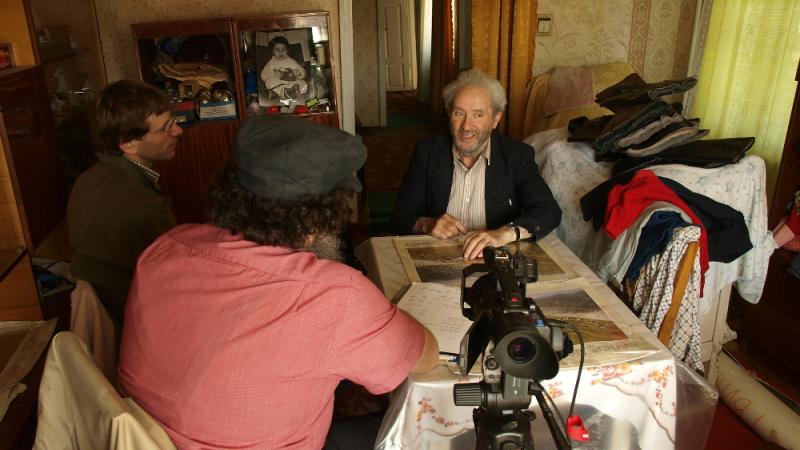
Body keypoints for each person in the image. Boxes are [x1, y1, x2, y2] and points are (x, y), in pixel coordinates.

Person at [118, 115, 440, 450]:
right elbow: (423, 357)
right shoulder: (336, 294)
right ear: (320, 219)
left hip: (149, 439)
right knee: (420, 427)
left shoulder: (167, 246)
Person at [392, 69, 562, 260]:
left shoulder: (517, 156)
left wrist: (504, 233)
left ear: (495, 119)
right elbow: (401, 217)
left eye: (478, 115)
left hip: (493, 259)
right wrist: (427, 224)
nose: (466, 126)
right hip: (439, 256)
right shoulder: (427, 152)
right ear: (449, 115)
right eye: (459, 113)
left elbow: (548, 211)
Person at [67, 80, 182, 328]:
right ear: (128, 142)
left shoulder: (88, 179)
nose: (178, 131)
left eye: (173, 121)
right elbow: (176, 282)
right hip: (136, 321)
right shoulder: (144, 206)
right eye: (166, 128)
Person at [260, 35, 308, 100]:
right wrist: (273, 75)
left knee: (303, 83)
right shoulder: (270, 63)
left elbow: (303, 72)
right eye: (277, 50)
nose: (280, 52)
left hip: (292, 83)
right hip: (279, 84)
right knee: (269, 82)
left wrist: (299, 73)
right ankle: (285, 92)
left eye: (283, 49)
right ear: (272, 51)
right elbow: (263, 75)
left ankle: (292, 92)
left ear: (287, 50)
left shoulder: (292, 61)